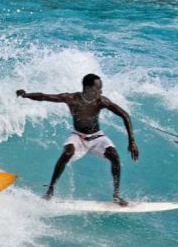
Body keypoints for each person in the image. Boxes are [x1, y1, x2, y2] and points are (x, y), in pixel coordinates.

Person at [16, 74, 139, 206]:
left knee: (114, 156)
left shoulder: (101, 101)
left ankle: (116, 195)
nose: (101, 92)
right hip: (78, 136)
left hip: (97, 137)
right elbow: (44, 96)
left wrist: (132, 141)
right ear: (87, 88)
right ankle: (50, 190)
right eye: (98, 89)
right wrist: (26, 95)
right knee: (67, 153)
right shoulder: (72, 98)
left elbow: (125, 115)